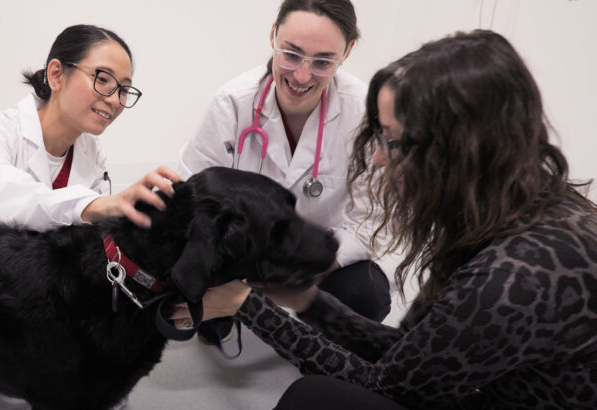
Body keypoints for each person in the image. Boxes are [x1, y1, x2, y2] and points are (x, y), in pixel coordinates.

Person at [176, 30, 597, 409]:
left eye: (393, 143)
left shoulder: (513, 279)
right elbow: (410, 355)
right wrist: (306, 299)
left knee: (316, 399)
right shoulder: (519, 212)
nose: (377, 158)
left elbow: (387, 386)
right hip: (493, 390)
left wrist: (250, 306)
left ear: (459, 151)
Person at [0, 24, 179, 410]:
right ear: (56, 74)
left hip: (26, 306)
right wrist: (89, 207)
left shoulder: (91, 154)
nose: (115, 99)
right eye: (103, 80)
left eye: (125, 89)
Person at [178, 0, 390, 346]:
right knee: (196, 306)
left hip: (318, 258)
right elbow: (191, 196)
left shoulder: (365, 113)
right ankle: (231, 312)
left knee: (365, 294)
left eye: (322, 62)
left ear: (348, 51)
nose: (302, 76)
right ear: (273, 35)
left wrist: (307, 270)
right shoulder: (232, 104)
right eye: (291, 54)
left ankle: (305, 329)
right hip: (241, 257)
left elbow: (370, 221)